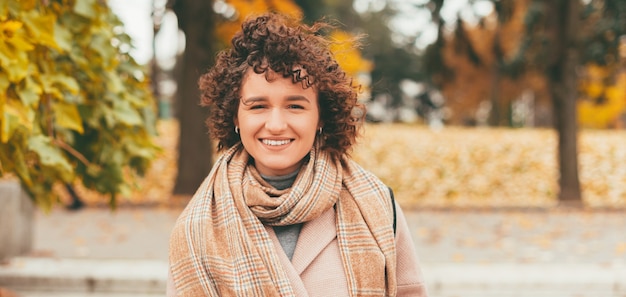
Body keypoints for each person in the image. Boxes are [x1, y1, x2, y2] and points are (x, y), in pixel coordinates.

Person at [167, 12, 428, 297]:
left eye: (295, 106)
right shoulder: (197, 229)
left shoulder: (377, 206)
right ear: (235, 117)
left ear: (321, 117)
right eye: (258, 106)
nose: (276, 125)